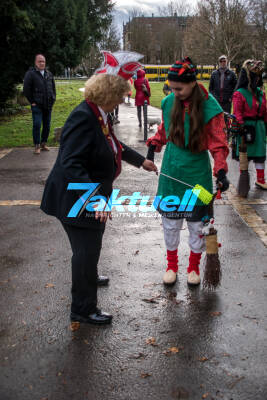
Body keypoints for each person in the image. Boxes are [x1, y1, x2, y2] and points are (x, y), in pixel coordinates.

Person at [40, 73, 157, 325]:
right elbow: (71, 164)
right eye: (119, 96)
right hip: (76, 199)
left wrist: (141, 161)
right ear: (108, 96)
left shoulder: (98, 114)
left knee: (89, 247)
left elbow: (114, 145)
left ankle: (89, 275)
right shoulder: (84, 117)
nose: (122, 100)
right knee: (85, 251)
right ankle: (82, 308)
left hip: (88, 195)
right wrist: (95, 201)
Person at [146, 57, 229, 286]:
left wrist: (221, 170)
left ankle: (193, 267)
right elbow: (164, 129)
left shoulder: (210, 106)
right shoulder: (168, 102)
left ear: (192, 83)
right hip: (172, 168)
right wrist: (155, 145)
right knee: (170, 222)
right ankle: (172, 265)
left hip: (198, 172)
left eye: (178, 88)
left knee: (197, 223)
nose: (174, 92)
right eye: (171, 88)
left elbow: (218, 142)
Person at [232, 59, 267, 190]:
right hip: (246, 128)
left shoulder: (260, 93)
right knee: (244, 156)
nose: (258, 80)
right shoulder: (239, 93)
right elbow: (237, 112)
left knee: (260, 155)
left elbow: (265, 111)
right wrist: (241, 127)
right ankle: (244, 181)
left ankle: (260, 179)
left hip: (259, 128)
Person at [23, 54, 56, 154]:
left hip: (48, 105)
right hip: (37, 105)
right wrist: (32, 101)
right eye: (39, 61)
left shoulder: (49, 74)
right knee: (37, 125)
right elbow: (26, 89)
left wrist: (53, 99)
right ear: (35, 62)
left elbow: (53, 88)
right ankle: (37, 145)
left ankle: (43, 143)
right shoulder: (30, 74)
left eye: (43, 61)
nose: (42, 63)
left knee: (47, 125)